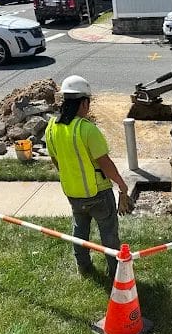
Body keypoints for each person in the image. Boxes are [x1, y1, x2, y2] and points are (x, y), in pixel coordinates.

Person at [45, 75, 133, 278]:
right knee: (109, 234)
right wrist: (121, 185)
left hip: (72, 192)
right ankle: (116, 273)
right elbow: (105, 164)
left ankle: (83, 268)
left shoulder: (52, 128)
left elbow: (56, 160)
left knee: (80, 230)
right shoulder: (87, 129)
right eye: (88, 103)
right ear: (84, 103)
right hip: (98, 193)